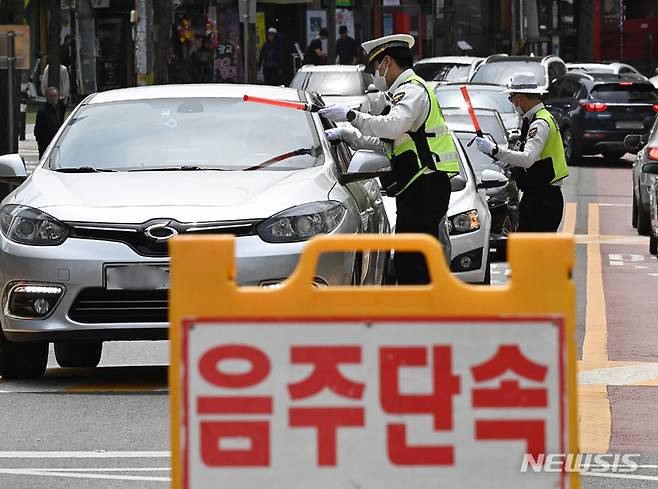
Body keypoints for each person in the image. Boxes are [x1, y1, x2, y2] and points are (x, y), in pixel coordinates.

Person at [319, 34, 460, 285]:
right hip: (418, 185)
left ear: (387, 62)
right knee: (410, 258)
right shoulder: (403, 94)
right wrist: (350, 136)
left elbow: (392, 127)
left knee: (414, 260)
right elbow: (389, 142)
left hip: (426, 183)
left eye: (376, 67)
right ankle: (417, 311)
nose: (376, 74)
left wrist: (351, 115)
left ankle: (420, 313)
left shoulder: (413, 91)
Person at [474, 72, 568, 232]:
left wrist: (495, 150)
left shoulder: (540, 123)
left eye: (511, 98)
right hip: (542, 196)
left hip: (541, 200)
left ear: (520, 97)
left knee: (532, 252)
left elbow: (527, 159)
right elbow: (533, 157)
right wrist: (507, 161)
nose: (512, 103)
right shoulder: (539, 118)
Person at [34, 87, 61, 158]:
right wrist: (43, 144)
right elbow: (37, 130)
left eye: (55, 96)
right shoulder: (42, 111)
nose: (53, 98)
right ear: (46, 97)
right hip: (45, 146)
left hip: (57, 146)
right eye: (51, 96)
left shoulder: (58, 110)